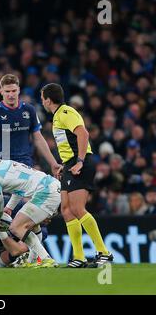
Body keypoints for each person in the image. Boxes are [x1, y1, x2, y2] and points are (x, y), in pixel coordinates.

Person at [41, 83, 113, 268]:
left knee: (78, 208)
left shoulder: (66, 112)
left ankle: (104, 252)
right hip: (70, 165)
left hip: (80, 163)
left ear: (48, 99)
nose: (42, 101)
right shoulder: (58, 116)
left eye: (43, 98)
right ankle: (79, 257)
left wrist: (79, 161)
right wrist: (65, 166)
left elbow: (83, 133)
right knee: (66, 210)